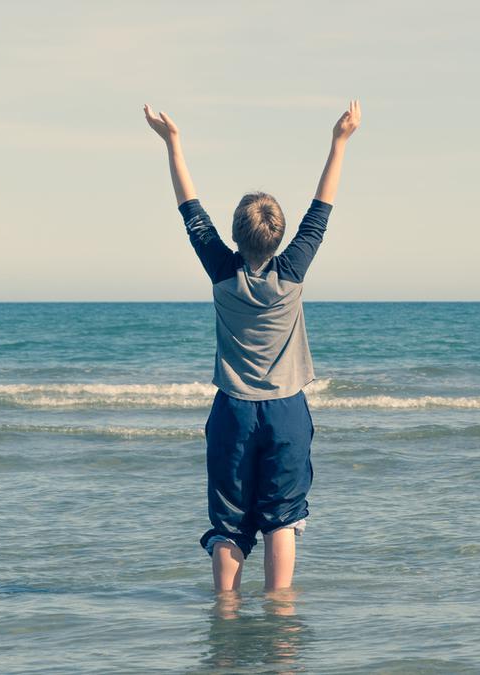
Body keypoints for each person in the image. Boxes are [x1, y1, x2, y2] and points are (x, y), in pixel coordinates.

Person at [144, 99, 361, 592]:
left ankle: (225, 620)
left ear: (236, 237)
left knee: (229, 524)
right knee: (282, 521)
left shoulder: (222, 271)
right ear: (280, 237)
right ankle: (280, 625)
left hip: (234, 411)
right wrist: (339, 141)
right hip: (286, 411)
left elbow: (190, 212)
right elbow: (320, 210)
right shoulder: (292, 270)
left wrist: (173, 142)